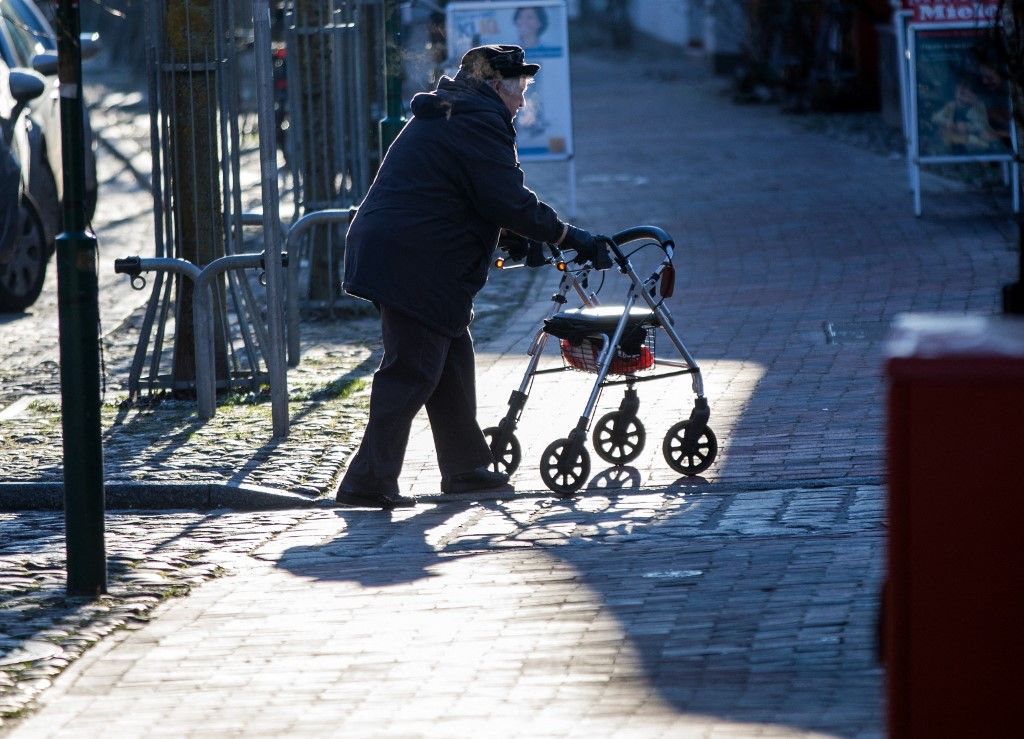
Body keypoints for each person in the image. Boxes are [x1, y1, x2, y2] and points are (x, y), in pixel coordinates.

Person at [336, 44, 607, 509]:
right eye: (519, 89)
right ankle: (366, 481)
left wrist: (515, 235)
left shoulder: (456, 112)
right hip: (414, 261)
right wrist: (568, 235)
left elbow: (465, 191)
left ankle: (465, 468)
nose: (523, 101)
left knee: (451, 362)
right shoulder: (476, 119)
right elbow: (506, 198)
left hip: (406, 253)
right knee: (411, 371)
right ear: (495, 86)